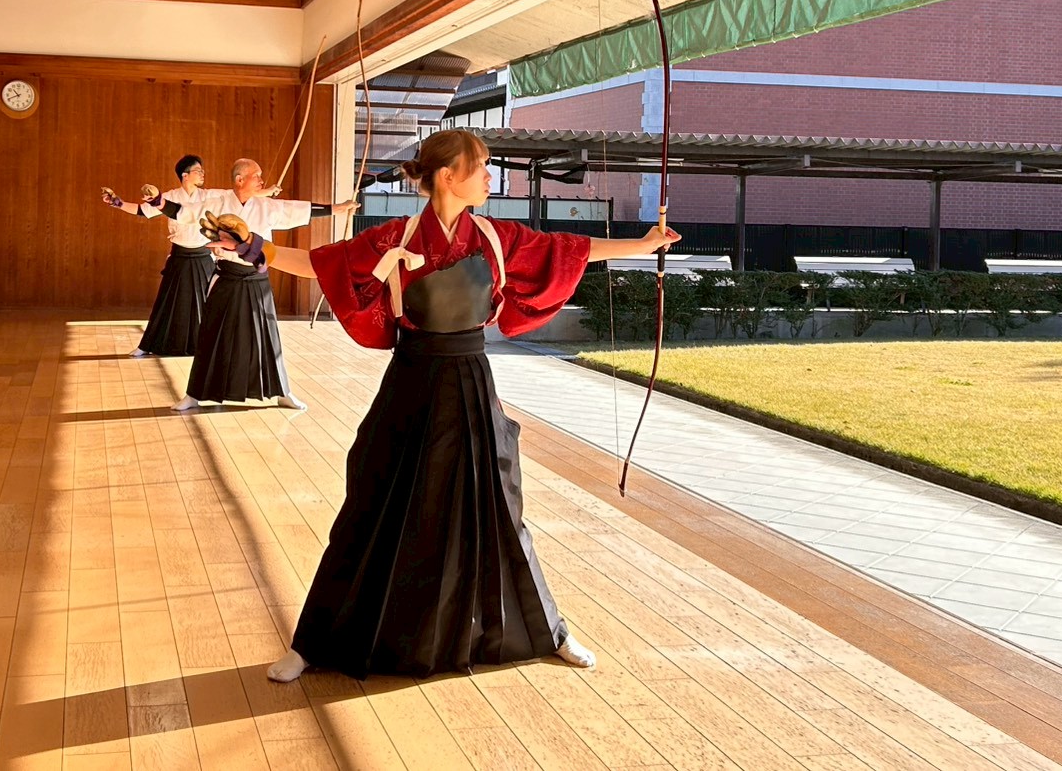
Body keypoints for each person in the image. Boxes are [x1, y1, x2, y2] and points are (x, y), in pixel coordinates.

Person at [217, 129, 679, 681]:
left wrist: (642, 245)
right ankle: (314, 643)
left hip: (471, 381)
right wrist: (257, 249)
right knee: (372, 501)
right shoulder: (398, 236)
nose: (489, 176)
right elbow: (327, 264)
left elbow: (567, 249)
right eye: (480, 166)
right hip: (411, 380)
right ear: (447, 176)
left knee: (499, 506)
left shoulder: (495, 236)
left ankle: (546, 630)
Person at [157, 158, 355, 413]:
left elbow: (299, 210)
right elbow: (185, 212)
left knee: (268, 334)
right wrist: (158, 202)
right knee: (211, 333)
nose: (261, 180)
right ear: (240, 180)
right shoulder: (218, 202)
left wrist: (338, 208)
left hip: (255, 278)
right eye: (256, 175)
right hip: (227, 276)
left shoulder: (266, 206)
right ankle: (193, 394)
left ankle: (282, 392)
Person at [101, 155, 213, 358]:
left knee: (208, 303)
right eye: (198, 171)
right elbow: (142, 210)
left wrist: (267, 192)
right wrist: (116, 202)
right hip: (180, 255)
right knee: (166, 302)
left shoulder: (209, 196)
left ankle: (207, 348)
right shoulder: (170, 197)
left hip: (204, 256)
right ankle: (147, 345)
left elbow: (235, 196)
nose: (203, 174)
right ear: (185, 175)